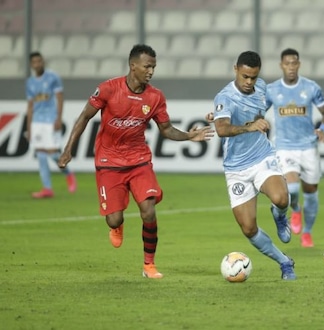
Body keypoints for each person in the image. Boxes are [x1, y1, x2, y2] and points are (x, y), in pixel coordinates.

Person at [58, 44, 214, 279]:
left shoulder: (155, 97)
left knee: (148, 211)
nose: (151, 71)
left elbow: (166, 129)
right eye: (147, 66)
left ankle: (149, 265)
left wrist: (189, 136)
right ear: (133, 66)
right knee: (114, 218)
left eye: (153, 67)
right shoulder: (109, 89)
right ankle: (116, 225)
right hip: (109, 162)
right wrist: (68, 149)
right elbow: (84, 117)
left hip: (139, 161)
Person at [205, 51, 296, 280]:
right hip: (236, 168)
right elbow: (222, 129)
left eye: (253, 77)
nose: (248, 82)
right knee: (248, 228)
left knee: (281, 198)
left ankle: (280, 214)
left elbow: (258, 109)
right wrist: (243, 124)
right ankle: (285, 262)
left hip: (261, 156)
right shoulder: (224, 97)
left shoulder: (262, 87)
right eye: (245, 76)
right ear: (235, 68)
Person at [265, 48, 324, 248]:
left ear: (299, 64)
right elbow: (259, 112)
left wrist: (323, 128)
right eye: (287, 63)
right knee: (292, 188)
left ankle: (308, 233)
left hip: (308, 147)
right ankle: (295, 209)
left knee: (311, 192)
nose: (291, 67)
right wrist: (258, 124)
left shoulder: (311, 87)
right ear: (281, 65)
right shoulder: (272, 89)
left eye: (294, 63)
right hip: (285, 146)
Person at [26, 51, 76, 198]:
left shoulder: (52, 77)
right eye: (34, 62)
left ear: (43, 62)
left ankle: (68, 173)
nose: (37, 64)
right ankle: (47, 189)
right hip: (36, 121)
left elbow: (60, 98)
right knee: (41, 155)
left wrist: (58, 118)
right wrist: (28, 127)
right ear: (31, 65)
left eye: (39, 61)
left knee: (53, 154)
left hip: (50, 119)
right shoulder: (30, 82)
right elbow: (30, 106)